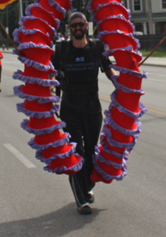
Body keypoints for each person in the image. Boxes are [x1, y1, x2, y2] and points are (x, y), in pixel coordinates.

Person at [51, 12, 115, 215]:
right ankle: (81, 200)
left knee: (90, 152)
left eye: (81, 24)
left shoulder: (97, 48)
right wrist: (49, 89)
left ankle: (87, 187)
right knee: (76, 151)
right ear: (69, 28)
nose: (77, 28)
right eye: (73, 25)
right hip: (70, 108)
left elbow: (109, 69)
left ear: (86, 26)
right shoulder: (61, 50)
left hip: (92, 107)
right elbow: (49, 73)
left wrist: (123, 83)